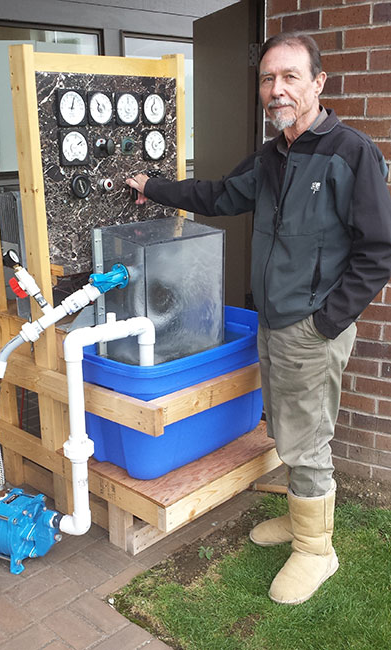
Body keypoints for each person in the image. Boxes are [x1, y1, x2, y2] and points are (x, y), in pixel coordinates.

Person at [126, 31, 391, 605]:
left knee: (306, 438)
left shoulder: (351, 153)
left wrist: (327, 322)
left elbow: (378, 250)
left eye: (290, 77)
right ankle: (303, 526)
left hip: (310, 326)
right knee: (287, 426)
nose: (277, 90)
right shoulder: (272, 156)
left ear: (318, 83)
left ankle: (318, 551)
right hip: (271, 320)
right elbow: (221, 194)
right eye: (268, 79)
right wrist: (156, 188)